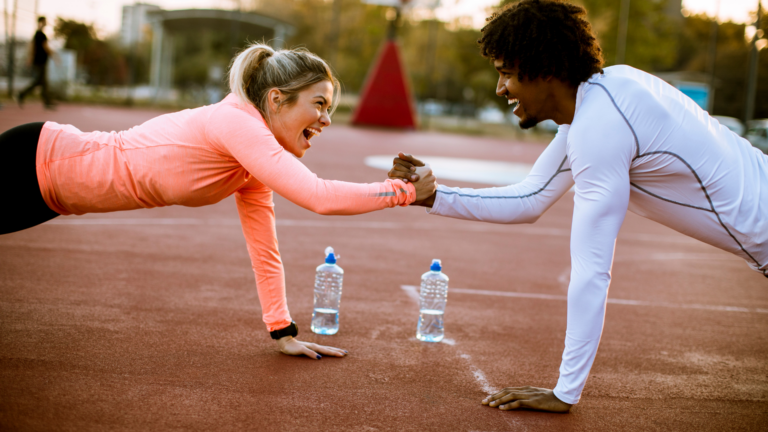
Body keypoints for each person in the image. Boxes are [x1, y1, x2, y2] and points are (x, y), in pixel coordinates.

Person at [390, 0, 767, 413]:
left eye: (506, 74)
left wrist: (565, 391)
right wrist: (432, 196)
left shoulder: (600, 125)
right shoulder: (606, 96)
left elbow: (591, 271)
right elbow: (530, 198)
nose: (500, 89)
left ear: (544, 69)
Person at [1, 43, 437, 360]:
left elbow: (264, 249)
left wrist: (282, 331)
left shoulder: (251, 163)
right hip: (34, 157)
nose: (326, 118)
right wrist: (403, 193)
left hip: (49, 197)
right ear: (275, 100)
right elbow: (317, 196)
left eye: (331, 108)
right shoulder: (235, 122)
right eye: (319, 104)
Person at [18, 16, 56, 109]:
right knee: (39, 81)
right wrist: (54, 56)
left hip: (39, 61)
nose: (46, 23)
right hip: (40, 61)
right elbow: (45, 47)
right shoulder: (41, 35)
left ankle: (47, 101)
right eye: (44, 22)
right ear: (41, 22)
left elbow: (32, 46)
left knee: (43, 82)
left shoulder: (36, 34)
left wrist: (30, 58)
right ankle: (22, 94)